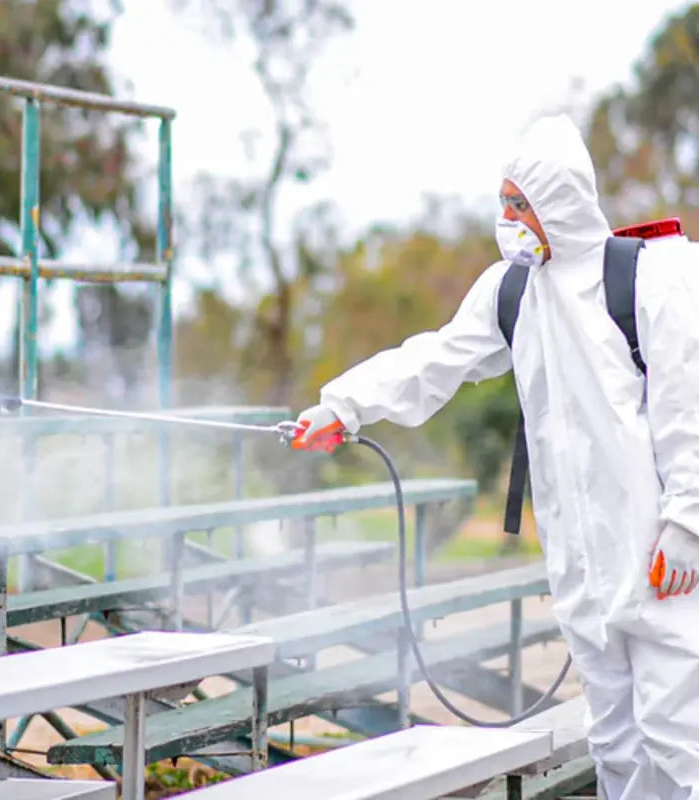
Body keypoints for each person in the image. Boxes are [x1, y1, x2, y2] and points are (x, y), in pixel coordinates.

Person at [292, 114, 699, 800]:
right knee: (617, 744)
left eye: (520, 204)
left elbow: (687, 402)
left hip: (658, 555)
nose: (508, 219)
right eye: (504, 203)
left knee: (679, 734)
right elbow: (434, 359)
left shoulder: (644, 278)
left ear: (559, 203)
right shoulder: (512, 291)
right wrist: (345, 405)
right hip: (580, 566)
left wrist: (687, 521)